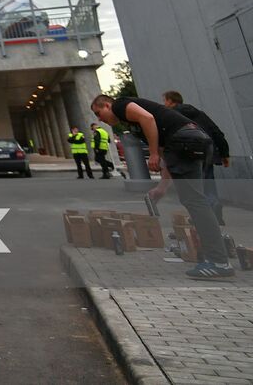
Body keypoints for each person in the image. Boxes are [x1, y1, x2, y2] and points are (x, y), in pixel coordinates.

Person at [92, 93, 233, 279]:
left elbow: (148, 119)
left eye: (98, 112)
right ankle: (217, 256)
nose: (99, 119)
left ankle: (219, 262)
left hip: (185, 142)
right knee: (196, 201)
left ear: (107, 105)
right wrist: (163, 187)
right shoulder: (139, 126)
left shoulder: (120, 105)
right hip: (193, 141)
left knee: (196, 202)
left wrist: (152, 154)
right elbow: (165, 150)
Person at [163, 90, 230, 224]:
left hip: (189, 154)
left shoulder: (172, 115)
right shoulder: (200, 114)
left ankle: (204, 217)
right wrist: (224, 153)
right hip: (208, 152)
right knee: (209, 184)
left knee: (195, 188)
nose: (164, 104)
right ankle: (215, 210)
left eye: (164, 101)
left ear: (170, 101)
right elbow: (217, 132)